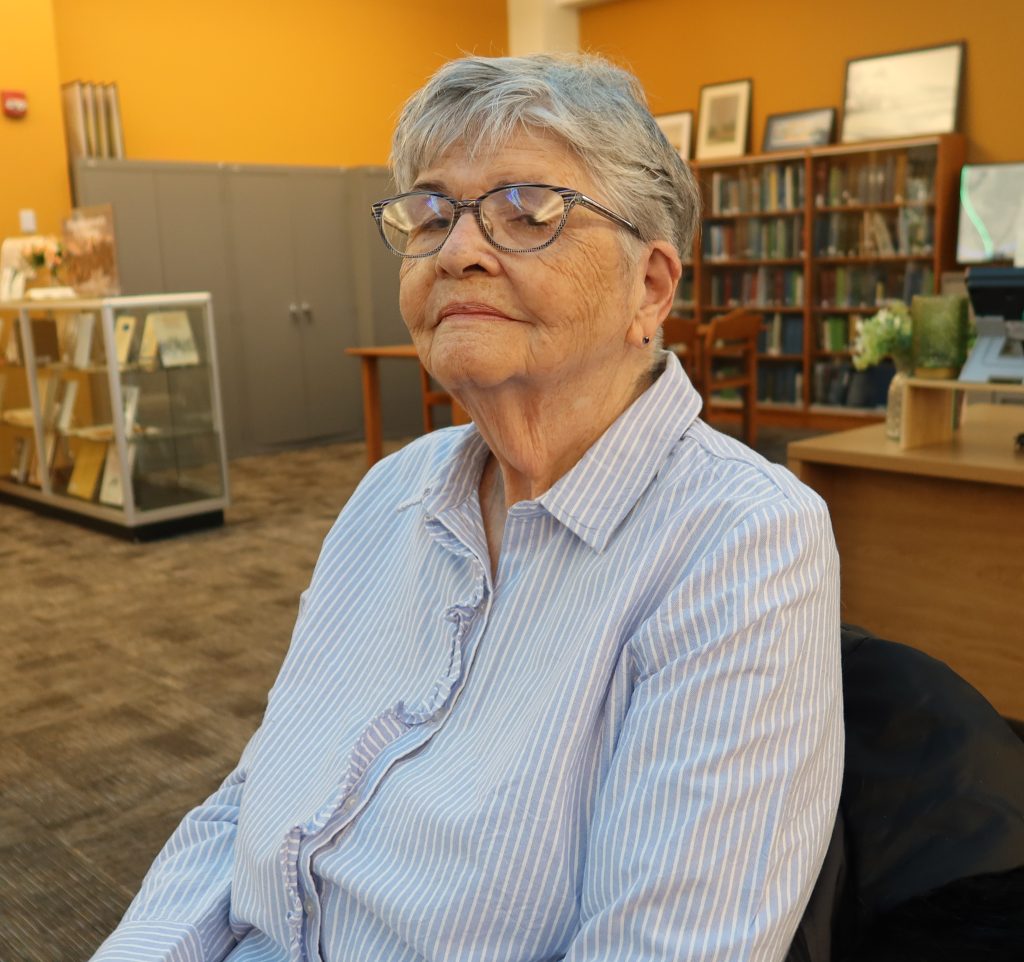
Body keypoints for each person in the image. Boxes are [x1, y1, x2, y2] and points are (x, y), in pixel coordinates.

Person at [91, 53, 842, 962]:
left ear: (650, 286)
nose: (456, 250)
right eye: (431, 214)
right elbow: (255, 798)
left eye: (527, 212)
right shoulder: (386, 496)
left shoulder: (742, 542)